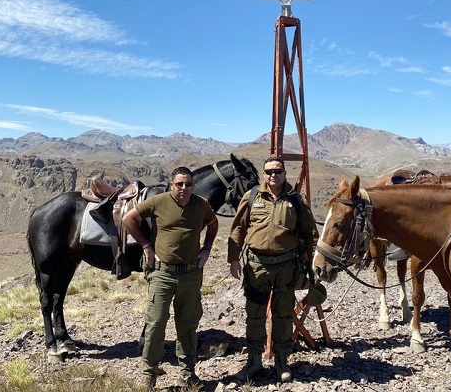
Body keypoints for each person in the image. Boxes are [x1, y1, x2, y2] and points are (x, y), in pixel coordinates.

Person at [123, 166, 219, 391]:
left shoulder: (201, 205)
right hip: (162, 274)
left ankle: (187, 373)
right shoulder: (158, 201)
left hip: (191, 274)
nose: (184, 188)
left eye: (188, 184)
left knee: (187, 325)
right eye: (179, 184)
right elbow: (129, 219)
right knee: (156, 324)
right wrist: (146, 246)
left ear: (193, 185)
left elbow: (213, 224)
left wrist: (206, 248)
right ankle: (150, 372)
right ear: (171, 184)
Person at [227, 155, 319, 384]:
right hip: (256, 266)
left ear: (284, 173)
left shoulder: (296, 200)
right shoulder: (251, 197)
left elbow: (309, 234)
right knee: (254, 314)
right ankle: (254, 362)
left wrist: (312, 265)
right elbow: (238, 228)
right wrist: (233, 259)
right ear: (264, 173)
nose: (273, 175)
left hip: (286, 267)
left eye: (277, 171)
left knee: (284, 315)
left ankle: (281, 361)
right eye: (268, 171)